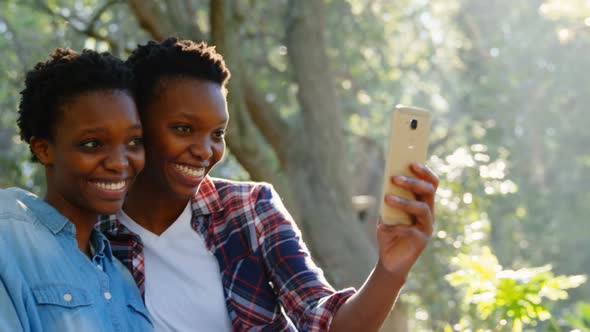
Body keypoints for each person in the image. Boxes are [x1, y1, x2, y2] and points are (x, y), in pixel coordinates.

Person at [99, 37, 438, 332]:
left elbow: (322, 321)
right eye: (184, 129)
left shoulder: (249, 209)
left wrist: (390, 271)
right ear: (136, 124)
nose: (205, 151)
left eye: (217, 134)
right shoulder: (92, 231)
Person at [0, 48, 153, 331]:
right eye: (92, 144)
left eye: (134, 142)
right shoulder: (8, 232)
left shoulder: (123, 280)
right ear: (44, 149)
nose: (120, 163)